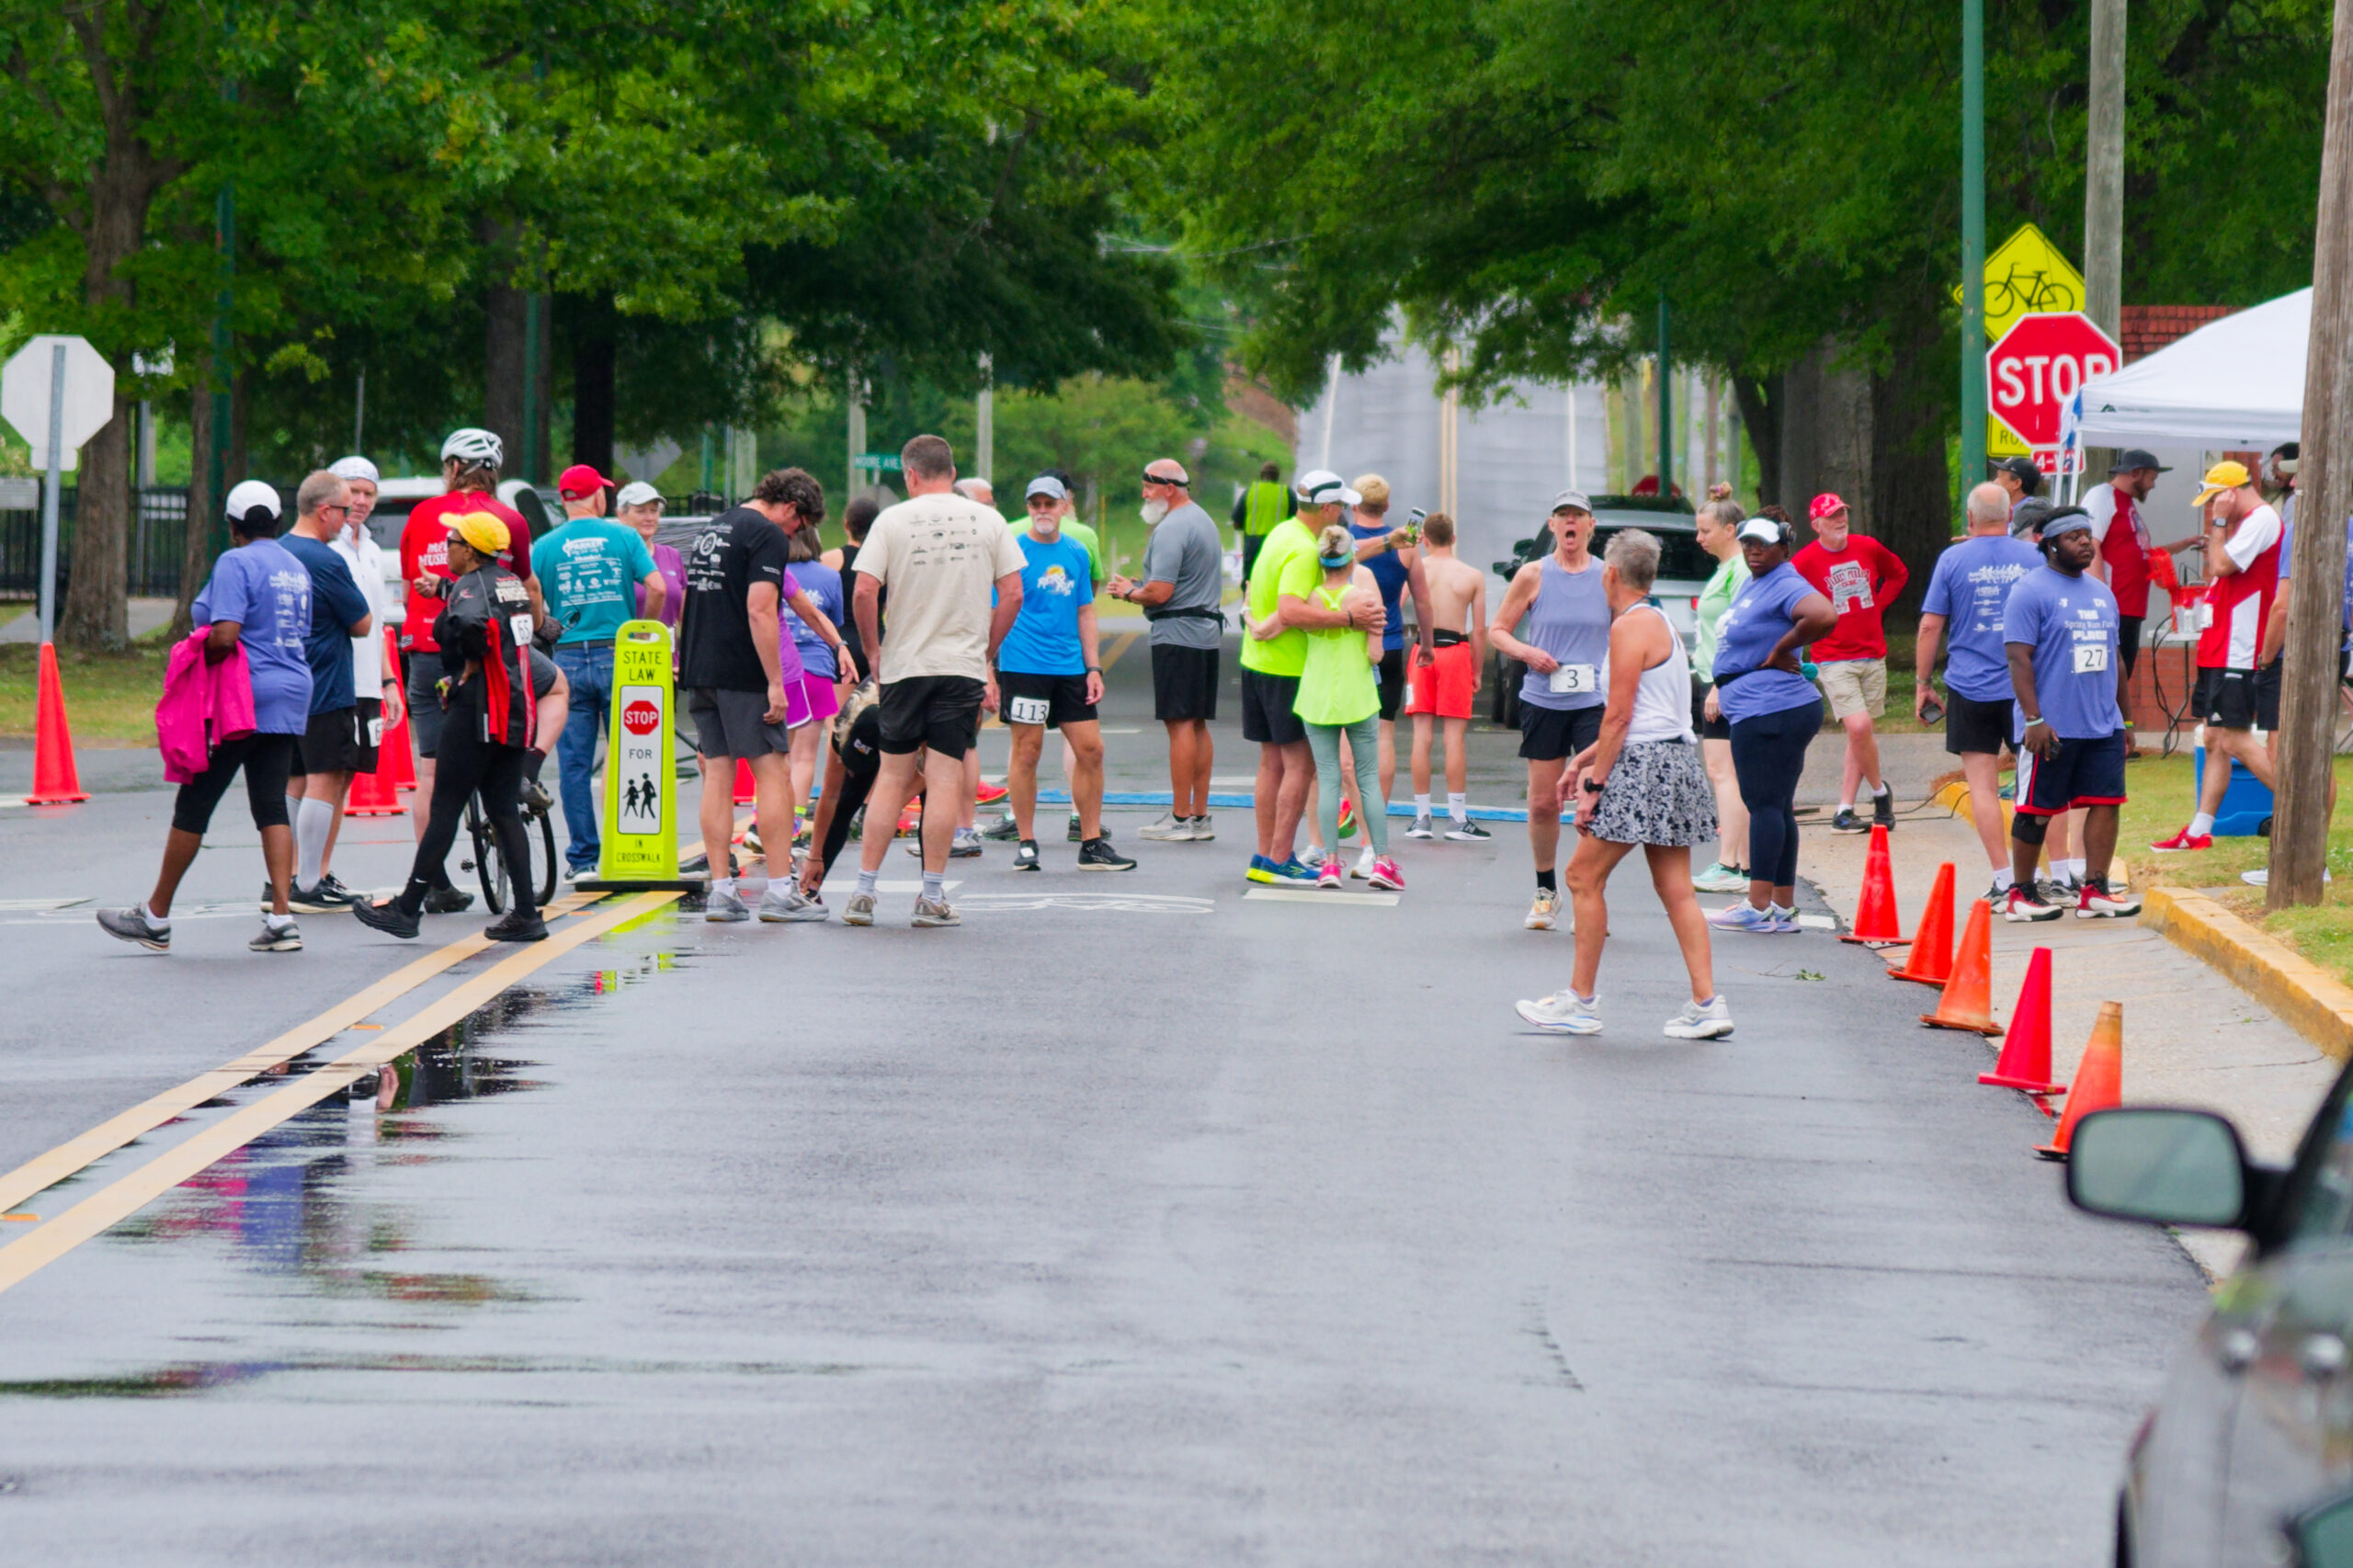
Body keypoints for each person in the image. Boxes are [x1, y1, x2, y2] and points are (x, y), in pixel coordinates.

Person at [1514, 530, 1731, 1039]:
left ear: (1610, 574)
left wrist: (1594, 783)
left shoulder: (1628, 628)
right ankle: (1707, 1003)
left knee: (1581, 878)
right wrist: (1581, 759)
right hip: (1676, 758)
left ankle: (1581, 1002)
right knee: (1676, 888)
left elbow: (1618, 716)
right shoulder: (1663, 624)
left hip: (1643, 765)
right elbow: (1648, 714)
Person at [99, 483, 314, 954]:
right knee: (271, 805)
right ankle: (282, 918)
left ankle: (155, 917)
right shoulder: (295, 567)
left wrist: (198, 648)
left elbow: (225, 633)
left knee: (195, 804)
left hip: (241, 697)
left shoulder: (235, 562)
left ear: (233, 525)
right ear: (276, 521)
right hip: (290, 694)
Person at [843, 435, 1027, 928]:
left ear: (910, 475)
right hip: (960, 667)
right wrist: (986, 651)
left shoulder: (893, 519)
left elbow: (864, 588)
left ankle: (863, 891)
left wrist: (875, 649)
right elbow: (1012, 593)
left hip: (904, 666)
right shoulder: (989, 520)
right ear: (951, 469)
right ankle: (930, 896)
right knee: (944, 780)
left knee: (893, 776)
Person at [355, 511, 549, 943]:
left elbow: (468, 623)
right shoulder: (510, 582)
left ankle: (407, 908)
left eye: (453, 539)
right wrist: (447, 592)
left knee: (445, 804)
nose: (447, 544)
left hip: (480, 709)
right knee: (502, 809)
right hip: (517, 710)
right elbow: (498, 613)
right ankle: (527, 914)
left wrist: (468, 667)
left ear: (471, 550)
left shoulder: (469, 588)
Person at [676, 468, 849, 923]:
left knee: (717, 772)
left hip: (701, 665)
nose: (797, 535)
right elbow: (760, 609)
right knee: (773, 771)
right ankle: (778, 891)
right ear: (791, 508)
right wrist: (775, 682)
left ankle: (721, 891)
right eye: (801, 525)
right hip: (743, 669)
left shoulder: (715, 526)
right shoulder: (767, 534)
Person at [397, 427, 539, 911]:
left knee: (431, 772)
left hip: (424, 646)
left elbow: (407, 584)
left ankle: (432, 885)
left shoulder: (419, 515)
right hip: (489, 655)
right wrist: (538, 629)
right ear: (492, 472)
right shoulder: (509, 518)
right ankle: (529, 766)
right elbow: (523, 585)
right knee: (557, 689)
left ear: (453, 467)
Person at [1237, 470, 1381, 885]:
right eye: (1342, 507)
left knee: (1272, 764)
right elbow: (1293, 609)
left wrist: (1389, 542)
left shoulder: (1284, 533)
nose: (1346, 515)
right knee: (1299, 766)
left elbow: (1342, 554)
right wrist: (1349, 617)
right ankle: (1280, 859)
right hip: (1288, 669)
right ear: (1329, 508)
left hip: (1259, 662)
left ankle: (1264, 856)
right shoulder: (1303, 551)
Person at [2000, 512, 2143, 919]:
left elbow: (2114, 658)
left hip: (2102, 723)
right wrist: (2033, 719)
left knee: (2106, 802)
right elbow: (2018, 659)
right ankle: (2021, 894)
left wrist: (2126, 721)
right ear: (2050, 544)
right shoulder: (2029, 592)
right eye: (2074, 536)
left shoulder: (2102, 593)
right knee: (2036, 808)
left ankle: (2094, 891)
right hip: (2051, 726)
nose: (2085, 543)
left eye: (2088, 536)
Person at [531, 465, 665, 881]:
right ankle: (632, 852)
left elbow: (531, 592)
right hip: (618, 653)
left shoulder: (545, 545)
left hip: (566, 658)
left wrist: (543, 628)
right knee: (631, 755)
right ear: (598, 498)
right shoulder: (623, 537)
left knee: (573, 764)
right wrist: (643, 631)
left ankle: (583, 860)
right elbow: (657, 587)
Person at [1706, 515, 1836, 933]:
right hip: (1762, 705)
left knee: (1763, 806)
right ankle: (1781, 906)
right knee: (1777, 807)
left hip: (1771, 707)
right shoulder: (1755, 581)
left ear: (1785, 545)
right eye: (1747, 544)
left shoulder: (1785, 581)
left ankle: (1757, 905)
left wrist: (1784, 647)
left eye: (1762, 543)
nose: (1753, 550)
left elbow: (1823, 615)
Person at [996, 479, 1134, 872]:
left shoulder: (1076, 551)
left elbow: (1085, 612)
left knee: (1091, 750)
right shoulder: (1012, 552)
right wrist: (990, 666)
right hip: (1024, 666)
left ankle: (1091, 842)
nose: (1043, 510)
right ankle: (1025, 841)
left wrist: (1094, 667)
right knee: (1028, 752)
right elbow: (998, 607)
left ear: (1064, 507)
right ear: (1028, 507)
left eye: (1050, 503)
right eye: (1036, 504)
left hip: (1070, 666)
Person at [1254, 522, 1401, 891]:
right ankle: (1381, 860)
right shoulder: (1364, 600)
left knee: (1328, 778)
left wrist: (1250, 617)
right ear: (1352, 561)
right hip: (1357, 695)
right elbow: (1375, 654)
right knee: (1366, 779)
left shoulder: (1310, 601)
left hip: (1317, 696)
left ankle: (1329, 862)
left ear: (1321, 563)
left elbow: (1271, 626)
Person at [1915, 482, 2043, 903]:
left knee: (1983, 787)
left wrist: (1922, 684)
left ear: (1968, 520)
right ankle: (2057, 873)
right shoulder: (2034, 557)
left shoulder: (1952, 559)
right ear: (2010, 516)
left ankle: (2005, 878)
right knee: (2041, 781)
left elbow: (1931, 625)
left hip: (1970, 686)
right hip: (2028, 685)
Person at [1489, 490, 1610, 930]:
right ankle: (1545, 891)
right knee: (1543, 803)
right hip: (1544, 698)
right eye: (1563, 516)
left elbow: (1629, 627)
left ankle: (1589, 892)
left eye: (1578, 516)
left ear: (1590, 526)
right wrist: (1528, 653)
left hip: (1594, 702)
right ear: (1553, 525)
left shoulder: (1608, 576)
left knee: (1594, 797)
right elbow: (1497, 631)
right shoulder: (1532, 574)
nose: (1571, 523)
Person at [2154, 461, 2284, 852]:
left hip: (2239, 647)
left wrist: (2219, 523)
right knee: (2213, 737)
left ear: (2231, 492)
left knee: (2233, 738)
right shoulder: (2241, 523)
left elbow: (2223, 564)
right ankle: (2200, 828)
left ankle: (2301, 807)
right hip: (2219, 642)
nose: (2212, 507)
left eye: (2215, 498)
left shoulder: (2260, 519)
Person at [274, 470, 377, 911]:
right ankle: (309, 880)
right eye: (342, 509)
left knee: (296, 777)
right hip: (326, 680)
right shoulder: (325, 560)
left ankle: (286, 876)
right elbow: (362, 622)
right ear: (323, 511)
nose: (347, 517)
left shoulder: (276, 552)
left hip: (283, 680)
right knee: (327, 777)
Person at [1109, 462, 1223, 843]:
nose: (1144, 494)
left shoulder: (1173, 526)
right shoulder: (1203, 519)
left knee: (1179, 725)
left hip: (1178, 634)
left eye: (1148, 487)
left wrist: (1129, 592)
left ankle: (1179, 818)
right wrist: (1139, 585)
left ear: (1168, 488)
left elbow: (1161, 593)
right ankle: (1200, 817)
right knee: (1197, 723)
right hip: (1204, 632)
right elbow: (1177, 582)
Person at [1790, 492, 1907, 834]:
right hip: (1833, 656)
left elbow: (1898, 573)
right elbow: (1790, 601)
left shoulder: (1867, 546)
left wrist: (1878, 606)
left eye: (1842, 513)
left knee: (1861, 734)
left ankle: (1844, 809)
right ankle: (1880, 793)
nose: (1840, 520)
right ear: (1816, 525)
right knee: (1858, 727)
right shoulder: (1803, 562)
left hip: (1872, 652)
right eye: (1831, 516)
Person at [315, 454, 403, 900]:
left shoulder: (370, 549)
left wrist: (388, 682)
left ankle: (322, 871)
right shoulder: (325, 548)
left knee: (346, 778)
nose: (362, 500)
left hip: (368, 681)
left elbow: (380, 622)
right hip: (333, 682)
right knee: (321, 778)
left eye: (369, 493)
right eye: (354, 491)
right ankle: (300, 874)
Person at [1346, 474, 1436, 814]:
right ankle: (1376, 812)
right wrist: (1426, 643)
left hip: (1349, 644)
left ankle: (1348, 808)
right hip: (1389, 645)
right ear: (1386, 506)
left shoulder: (1343, 541)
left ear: (1354, 504)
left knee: (1342, 734)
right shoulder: (1407, 545)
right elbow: (1423, 601)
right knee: (1383, 733)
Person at [1400, 512, 1488, 841]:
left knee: (1421, 736)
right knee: (1453, 738)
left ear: (1424, 539)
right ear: (1453, 538)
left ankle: (1421, 817)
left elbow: (1395, 607)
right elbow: (1478, 630)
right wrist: (1476, 669)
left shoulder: (1414, 570)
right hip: (1455, 653)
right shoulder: (1471, 576)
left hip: (1422, 653)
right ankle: (1456, 817)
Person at [1688, 497, 1750, 892]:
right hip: (1716, 680)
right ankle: (1742, 863)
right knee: (1730, 774)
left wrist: (1721, 686)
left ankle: (1729, 863)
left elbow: (1739, 631)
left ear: (1731, 530)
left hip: (1724, 683)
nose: (1699, 538)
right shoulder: (1727, 568)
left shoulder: (1739, 570)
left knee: (1723, 772)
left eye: (1706, 531)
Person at [2082, 449, 2167, 711]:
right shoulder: (2102, 496)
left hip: (2131, 604)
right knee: (2109, 672)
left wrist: (2183, 544)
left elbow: (2135, 550)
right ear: (2136, 473)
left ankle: (2113, 735)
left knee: (2122, 670)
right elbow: (2091, 543)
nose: (2153, 485)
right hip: (2114, 601)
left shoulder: (2127, 503)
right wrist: (2098, 595)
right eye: (2151, 478)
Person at [787, 517, 855, 838]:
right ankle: (794, 825)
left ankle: (765, 819)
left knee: (773, 755)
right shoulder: (829, 576)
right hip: (815, 669)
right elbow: (835, 621)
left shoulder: (772, 573)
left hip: (777, 669)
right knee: (803, 757)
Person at [618, 483, 685, 630]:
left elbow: (685, 618)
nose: (649, 518)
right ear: (621, 515)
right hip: (624, 650)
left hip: (667, 651)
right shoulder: (613, 559)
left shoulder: (672, 556)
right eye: (641, 511)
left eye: (654, 511)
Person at [1233, 460, 1294, 584]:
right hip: (1278, 543)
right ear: (1277, 476)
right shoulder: (1286, 493)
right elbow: (1296, 519)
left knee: (1250, 580)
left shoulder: (1250, 491)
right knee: (1276, 579)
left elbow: (1236, 522)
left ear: (1261, 475)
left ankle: (1248, 601)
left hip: (1253, 543)